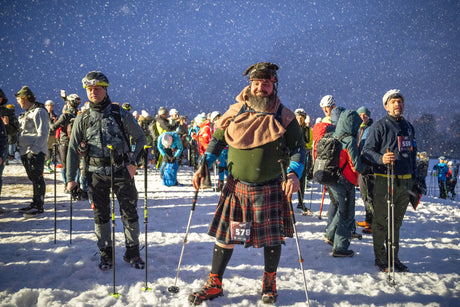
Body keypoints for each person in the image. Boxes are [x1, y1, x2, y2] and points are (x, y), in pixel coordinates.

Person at [188, 62, 305, 305]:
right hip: (237, 185)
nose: (260, 87)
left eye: (266, 83)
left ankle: (269, 281)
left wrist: (294, 173)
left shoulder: (285, 115)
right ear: (249, 85)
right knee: (226, 236)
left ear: (273, 85)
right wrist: (203, 165)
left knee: (272, 238)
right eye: (256, 83)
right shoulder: (235, 111)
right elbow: (217, 141)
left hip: (271, 185)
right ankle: (215, 282)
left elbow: (298, 149)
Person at [66, 71, 147, 270]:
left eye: (97, 88)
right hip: (94, 175)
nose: (93, 92)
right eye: (90, 89)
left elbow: (141, 139)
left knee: (130, 214)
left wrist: (133, 163)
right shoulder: (82, 118)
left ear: (105, 89)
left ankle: (133, 252)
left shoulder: (120, 114)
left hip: (121, 172)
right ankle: (106, 253)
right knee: (101, 216)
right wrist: (71, 178)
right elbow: (72, 149)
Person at [362, 89, 416, 272]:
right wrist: (381, 159)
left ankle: (394, 257)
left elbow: (412, 153)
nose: (397, 105)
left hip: (406, 181)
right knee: (381, 221)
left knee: (396, 222)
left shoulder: (408, 126)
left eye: (400, 101)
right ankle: (381, 258)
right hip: (385, 179)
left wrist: (416, 179)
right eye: (393, 102)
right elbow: (366, 151)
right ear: (386, 106)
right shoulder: (380, 126)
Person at [323, 108, 367, 257]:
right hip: (345, 182)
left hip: (333, 179)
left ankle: (330, 236)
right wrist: (367, 166)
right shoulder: (349, 140)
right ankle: (340, 248)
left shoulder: (335, 136)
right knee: (347, 214)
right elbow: (357, 165)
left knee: (341, 210)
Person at [16, 86, 50, 215]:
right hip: (25, 150)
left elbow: (43, 133)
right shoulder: (26, 113)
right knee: (33, 178)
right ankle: (34, 202)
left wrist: (34, 150)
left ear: (25, 98)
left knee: (37, 179)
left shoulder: (39, 112)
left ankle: (39, 205)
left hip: (35, 151)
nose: (18, 102)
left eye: (19, 99)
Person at [51, 94, 81, 194]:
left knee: (65, 165)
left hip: (64, 142)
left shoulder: (65, 115)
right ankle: (76, 185)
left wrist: (50, 121)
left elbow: (53, 128)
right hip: (76, 143)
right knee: (75, 165)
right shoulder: (80, 114)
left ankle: (66, 185)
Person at [355, 106, 375, 234]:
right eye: (360, 115)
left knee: (370, 195)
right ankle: (368, 219)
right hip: (362, 166)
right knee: (364, 194)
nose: (363, 117)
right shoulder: (359, 129)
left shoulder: (372, 129)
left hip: (369, 166)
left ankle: (374, 223)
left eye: (365, 115)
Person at [294, 108, 312, 212]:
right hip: (294, 156)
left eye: (301, 118)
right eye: (297, 118)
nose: (299, 120)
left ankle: (301, 202)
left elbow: (309, 142)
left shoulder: (307, 129)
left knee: (301, 180)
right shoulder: (291, 128)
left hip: (303, 155)